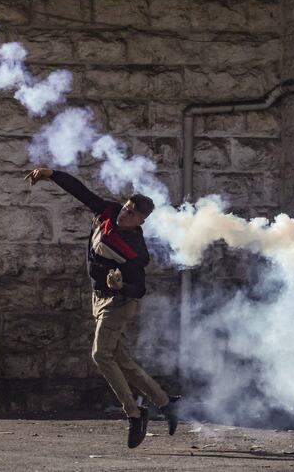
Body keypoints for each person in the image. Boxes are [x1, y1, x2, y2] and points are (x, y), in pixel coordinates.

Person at [24, 167, 179, 448]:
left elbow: (140, 289)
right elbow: (80, 191)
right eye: (127, 207)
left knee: (100, 355)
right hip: (100, 298)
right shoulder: (108, 211)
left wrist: (121, 288)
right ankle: (165, 403)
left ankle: (134, 414)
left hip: (119, 303)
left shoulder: (135, 251)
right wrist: (50, 174)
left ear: (141, 221)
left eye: (132, 214)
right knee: (121, 359)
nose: (125, 214)